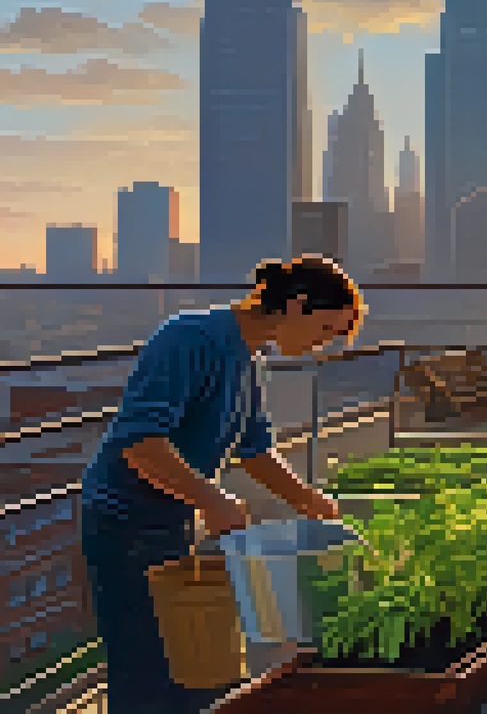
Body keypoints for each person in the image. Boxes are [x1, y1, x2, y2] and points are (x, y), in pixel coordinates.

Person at [79, 255, 364, 714]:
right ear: (297, 304)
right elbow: (140, 443)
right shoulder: (190, 339)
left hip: (169, 522)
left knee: (189, 664)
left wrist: (307, 500)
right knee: (146, 670)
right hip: (124, 523)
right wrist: (213, 499)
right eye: (327, 329)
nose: (322, 344)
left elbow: (251, 448)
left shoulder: (247, 357)